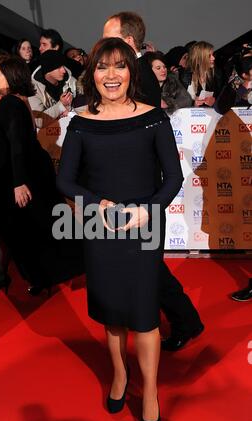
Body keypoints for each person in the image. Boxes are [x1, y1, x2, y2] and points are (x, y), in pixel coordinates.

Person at [57, 37, 184, 421]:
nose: (111, 76)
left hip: (144, 225)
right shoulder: (79, 122)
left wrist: (146, 210)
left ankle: (149, 394)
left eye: (119, 67)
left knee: (145, 316)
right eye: (102, 67)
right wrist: (100, 205)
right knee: (113, 316)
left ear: (132, 71)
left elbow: (174, 178)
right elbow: (65, 179)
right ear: (91, 73)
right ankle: (119, 375)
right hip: (99, 225)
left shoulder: (153, 118)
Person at [103, 11, 204, 351]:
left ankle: (183, 321)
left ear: (129, 42)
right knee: (146, 264)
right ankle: (184, 320)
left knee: (147, 266)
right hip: (134, 187)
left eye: (109, 37)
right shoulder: (134, 71)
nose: (102, 44)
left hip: (141, 189)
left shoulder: (140, 74)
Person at [0, 56, 72, 296]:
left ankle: (6, 276)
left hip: (18, 177)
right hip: (17, 174)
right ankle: (11, 276)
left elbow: (18, 144)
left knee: (16, 225)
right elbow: (7, 141)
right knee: (21, 227)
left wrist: (19, 183)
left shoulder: (12, 103)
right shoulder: (16, 102)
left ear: (11, 77)